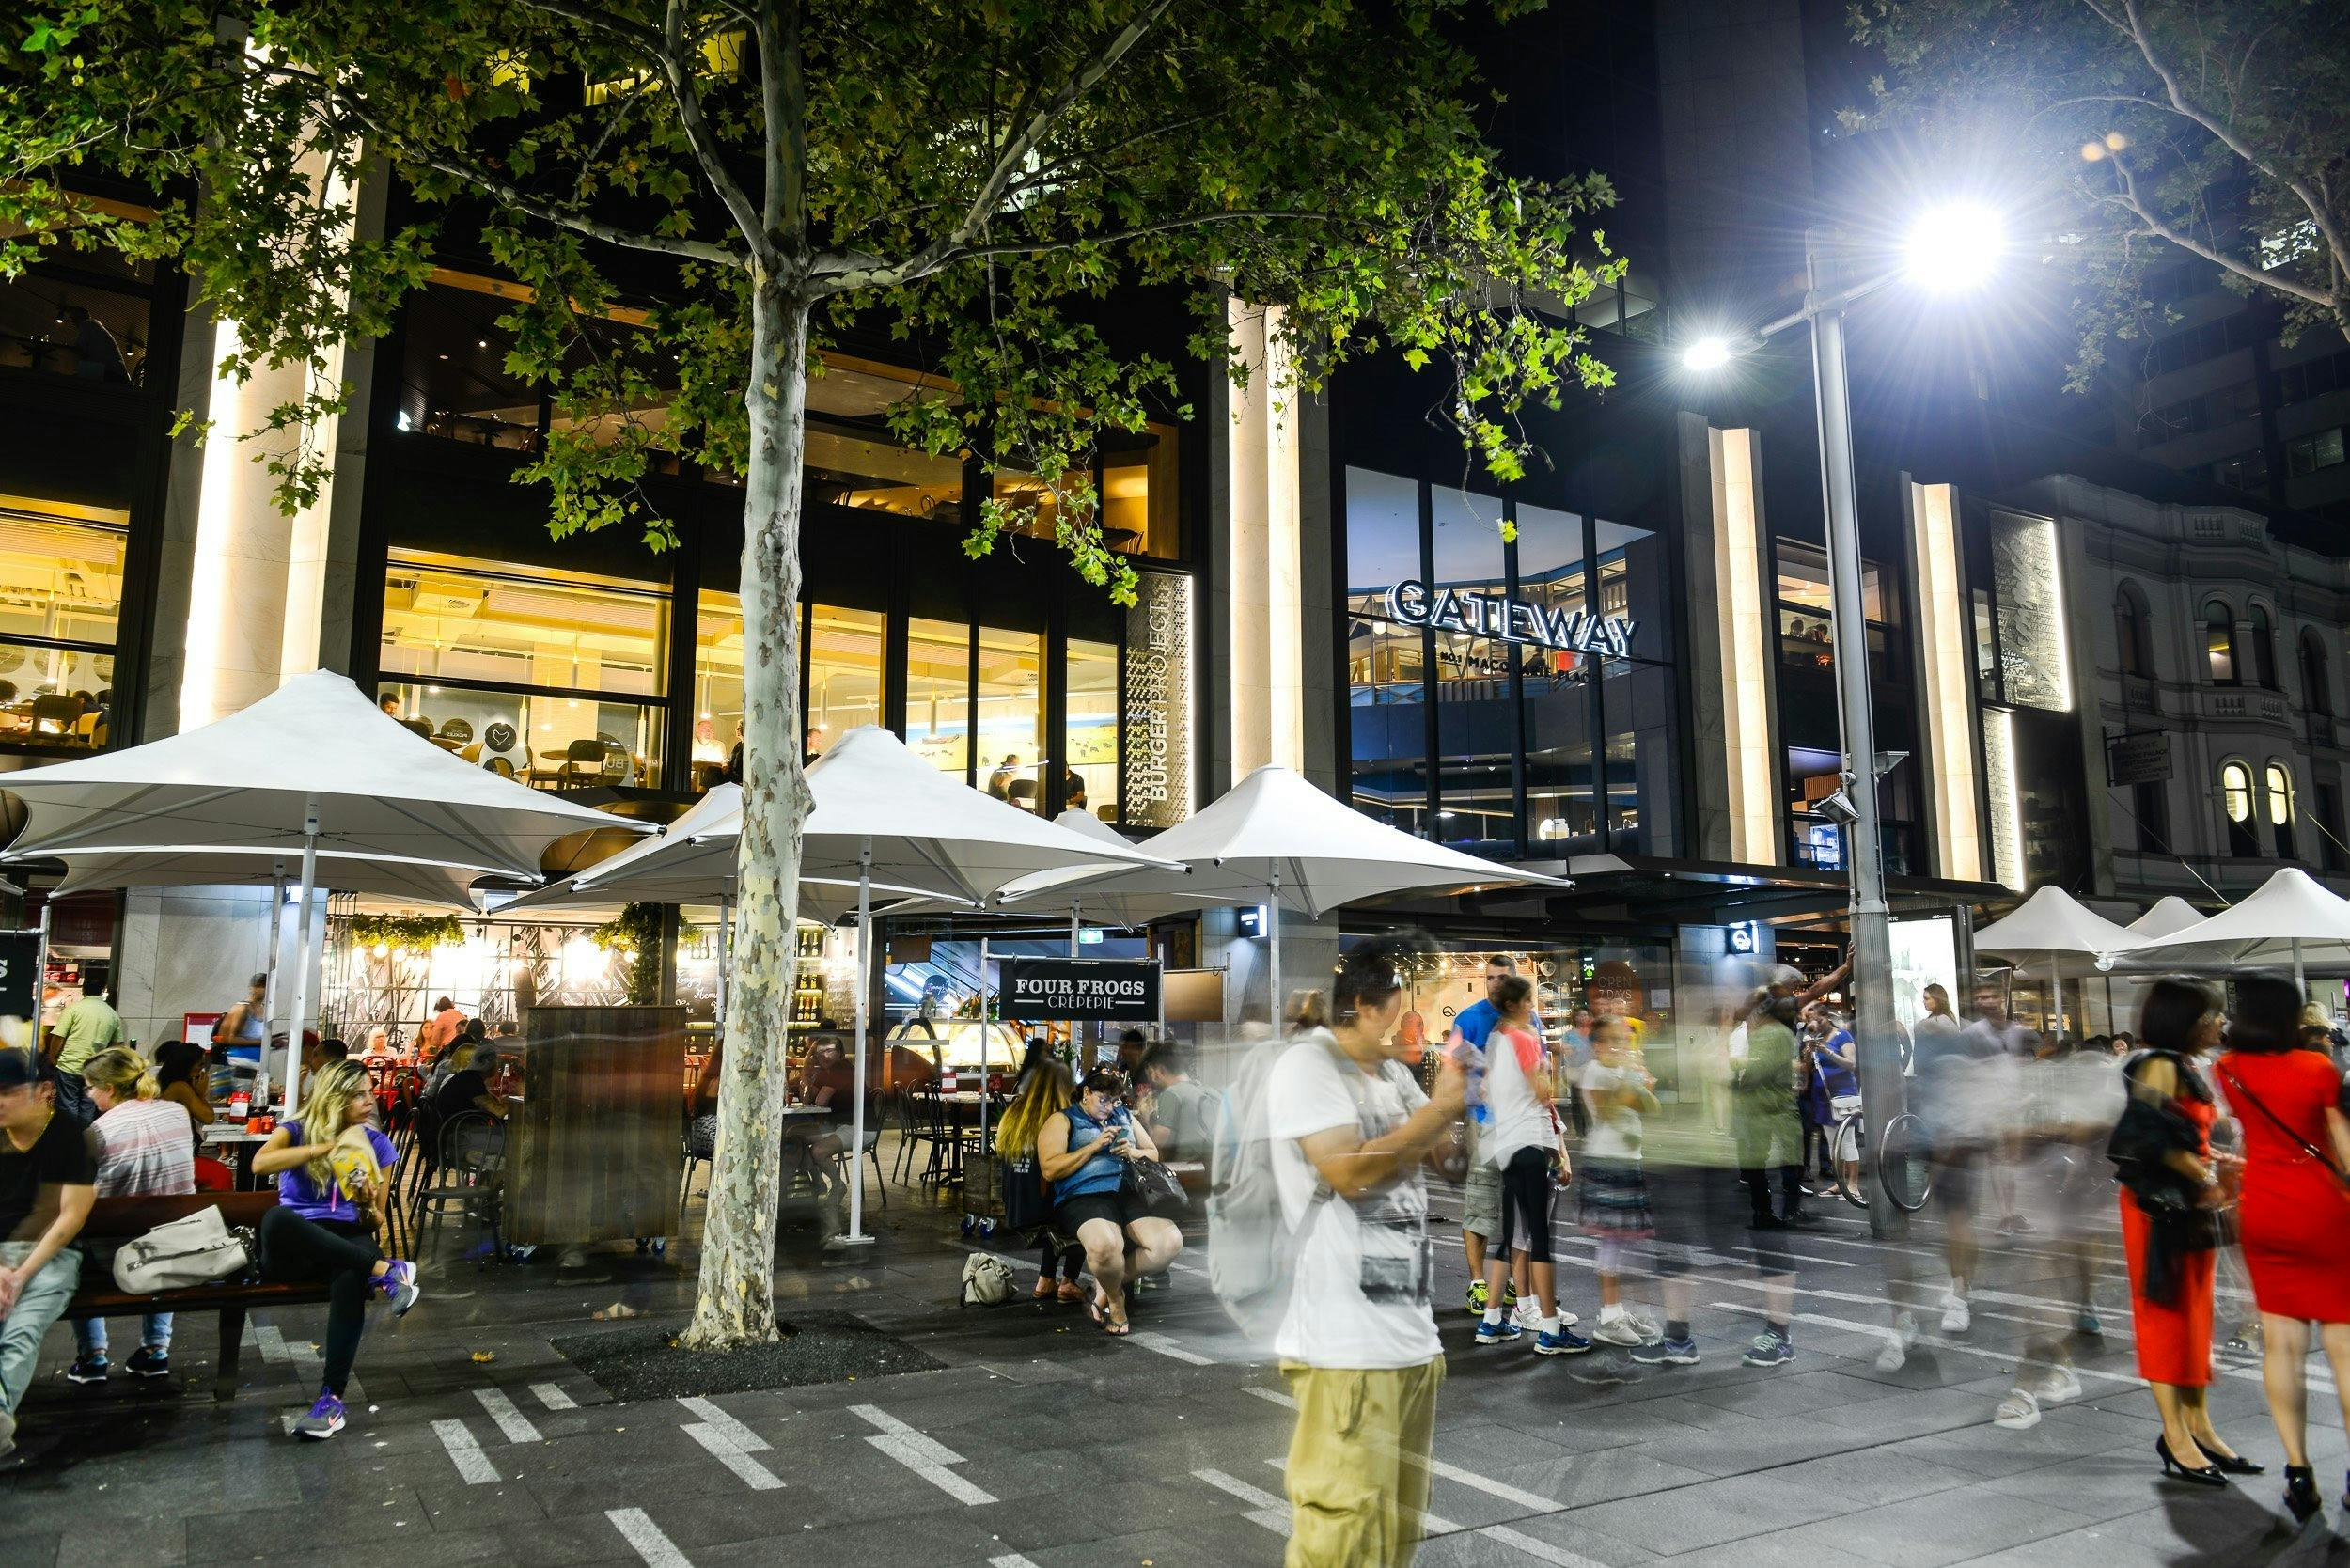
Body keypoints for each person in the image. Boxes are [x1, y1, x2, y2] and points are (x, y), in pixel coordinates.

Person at [1269, 941, 1465, 1566]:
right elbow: (1349, 1173)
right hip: (1343, 1346)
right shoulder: (1308, 1069)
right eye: (1400, 1013)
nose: (1412, 1027)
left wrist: (1475, 1096)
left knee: (1395, 1537)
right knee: (1340, 1533)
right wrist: (1438, 1111)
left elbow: (1451, 1165)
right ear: (1362, 1006)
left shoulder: (1398, 1076)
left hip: (1410, 1341)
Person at [2215, 972, 2350, 1520]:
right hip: (2322, 1210)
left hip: (2264, 1209)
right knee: (2344, 1349)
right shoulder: (2317, 1067)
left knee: (2282, 1344)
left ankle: (2297, 1467)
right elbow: (2341, 1147)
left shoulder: (2229, 1071)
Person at [2111, 977, 2248, 1486]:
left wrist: (2213, 1161)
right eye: (2211, 1015)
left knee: (2193, 1315)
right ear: (2184, 1021)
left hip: (2186, 1205)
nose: (2219, 1024)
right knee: (2164, 1315)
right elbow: (2139, 1138)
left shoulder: (2183, 1065)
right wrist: (2205, 1173)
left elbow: (2180, 1134)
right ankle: (2176, 1435)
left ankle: (2200, 1427)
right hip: (2158, 1209)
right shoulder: (2159, 1065)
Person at [250, 1059, 419, 1439]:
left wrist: (365, 1203)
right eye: (358, 1094)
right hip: (296, 1242)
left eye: (370, 1092)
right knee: (277, 1218)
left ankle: (331, 1401)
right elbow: (261, 1163)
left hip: (345, 1237)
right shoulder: (295, 1130)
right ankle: (385, 1271)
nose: (370, 1101)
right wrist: (327, 1148)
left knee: (348, 1274)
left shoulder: (376, 1144)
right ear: (335, 1096)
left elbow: (375, 1221)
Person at [1467, 975, 1587, 1355]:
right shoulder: (1523, 1039)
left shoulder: (1495, 1040)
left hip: (1505, 1144)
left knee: (1512, 1236)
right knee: (1539, 1236)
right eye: (1530, 1000)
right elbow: (1542, 1093)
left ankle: (1491, 1322)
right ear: (1516, 1004)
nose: (1534, 1006)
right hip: (1530, 1142)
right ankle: (1550, 1328)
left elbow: (1486, 1090)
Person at [64, 1048, 195, 1385]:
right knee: (160, 1237)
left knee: (74, 1249)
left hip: (116, 1253)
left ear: (109, 1088)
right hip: (174, 1245)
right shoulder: (177, 1112)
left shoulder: (98, 1131)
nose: (89, 1095)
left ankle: (93, 1355)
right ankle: (155, 1351)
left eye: (91, 1087)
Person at [0, 1046, 96, 1456]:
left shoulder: (71, 1135)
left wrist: (18, 1274)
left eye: (8, 1092)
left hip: (52, 1256)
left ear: (42, 1091)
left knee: (20, 1329)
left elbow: (68, 1217)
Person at [1038, 1069, 1183, 1335]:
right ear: (1086, 1093)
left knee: (1169, 1242)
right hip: (1084, 1195)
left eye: (1115, 1101)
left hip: (1128, 1192)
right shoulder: (1063, 1120)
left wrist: (1133, 1151)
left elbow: (1153, 1152)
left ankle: (1104, 1285)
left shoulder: (1124, 1116)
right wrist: (1093, 1147)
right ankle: (1116, 1302)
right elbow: (1049, 1168)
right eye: (1103, 1099)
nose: (1109, 1107)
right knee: (1106, 1247)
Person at [1449, 956, 1547, 1324]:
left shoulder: (1529, 1019)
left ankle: (1513, 1285)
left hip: (1522, 1127)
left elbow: (1541, 1072)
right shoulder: (1469, 1019)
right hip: (1486, 1122)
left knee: (1520, 1211)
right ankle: (1477, 1282)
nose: (1494, 983)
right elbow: (1452, 1073)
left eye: (1501, 977)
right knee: (1481, 1203)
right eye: (1489, 977)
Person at [1579, 1016, 1661, 1347]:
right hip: (1607, 1160)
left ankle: (1630, 1311)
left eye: (1623, 1041)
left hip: (1629, 1160)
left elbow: (1652, 1106)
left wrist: (1639, 1082)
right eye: (1610, 1041)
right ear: (1596, 1045)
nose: (1618, 1047)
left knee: (1632, 1242)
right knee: (1612, 1241)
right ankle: (1609, 1315)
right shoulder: (1595, 1071)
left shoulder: (1619, 1072)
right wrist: (1632, 1079)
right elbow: (1610, 1110)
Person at [995, 1044, 1085, 1304]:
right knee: (1089, 1210)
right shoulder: (1057, 1120)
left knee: (1059, 1208)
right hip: (1041, 1211)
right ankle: (1068, 1282)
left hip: (1015, 1208)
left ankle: (1046, 1280)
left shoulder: (1014, 1114)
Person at [41, 981, 123, 1111]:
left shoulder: (73, 1009)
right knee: (88, 1107)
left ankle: (69, 1131)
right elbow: (117, 1045)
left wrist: (52, 1056)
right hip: (96, 1069)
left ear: (83, 990)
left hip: (69, 1065)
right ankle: (84, 1131)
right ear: (102, 991)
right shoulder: (112, 1014)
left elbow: (58, 1037)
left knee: (68, 1105)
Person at [1138, 1043, 1217, 1164]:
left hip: (1189, 1173)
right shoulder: (1212, 1092)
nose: (1150, 1079)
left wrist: (1146, 1120)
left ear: (1159, 1071)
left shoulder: (1171, 1094)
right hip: (1217, 1170)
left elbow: (1157, 1148)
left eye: (1150, 1073)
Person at [428, 1042, 509, 1122]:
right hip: (457, 1131)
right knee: (505, 1133)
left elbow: (489, 1100)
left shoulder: (467, 1077)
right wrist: (513, 1104)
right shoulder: (472, 1081)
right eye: (496, 1062)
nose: (498, 1066)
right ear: (490, 1066)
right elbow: (498, 1112)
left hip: (452, 1126)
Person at [152, 1041, 215, 1138]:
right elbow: (208, 1118)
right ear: (187, 1065)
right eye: (200, 1065)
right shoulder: (180, 1087)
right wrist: (201, 1095)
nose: (202, 1070)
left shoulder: (169, 1082)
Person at [218, 974, 269, 1062]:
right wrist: (260, 1042)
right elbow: (229, 1038)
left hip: (256, 1061)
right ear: (252, 988)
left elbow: (254, 1035)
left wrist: (271, 1041)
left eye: (265, 986)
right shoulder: (242, 1008)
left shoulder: (264, 1008)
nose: (263, 989)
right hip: (239, 1060)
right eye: (260, 986)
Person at [418, 997, 464, 1065]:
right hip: (463, 1050)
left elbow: (435, 1042)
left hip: (448, 1053)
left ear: (440, 1008)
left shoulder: (441, 1017)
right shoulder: (461, 1015)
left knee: (423, 1068)